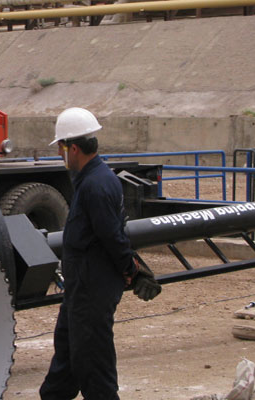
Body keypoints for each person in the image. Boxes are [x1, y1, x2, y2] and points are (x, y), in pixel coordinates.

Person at [39, 107, 160, 400]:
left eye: (60, 147)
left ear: (73, 148)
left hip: (92, 287)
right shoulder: (91, 179)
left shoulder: (96, 184)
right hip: (81, 286)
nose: (59, 153)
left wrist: (131, 269)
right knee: (67, 353)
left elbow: (112, 236)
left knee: (93, 360)